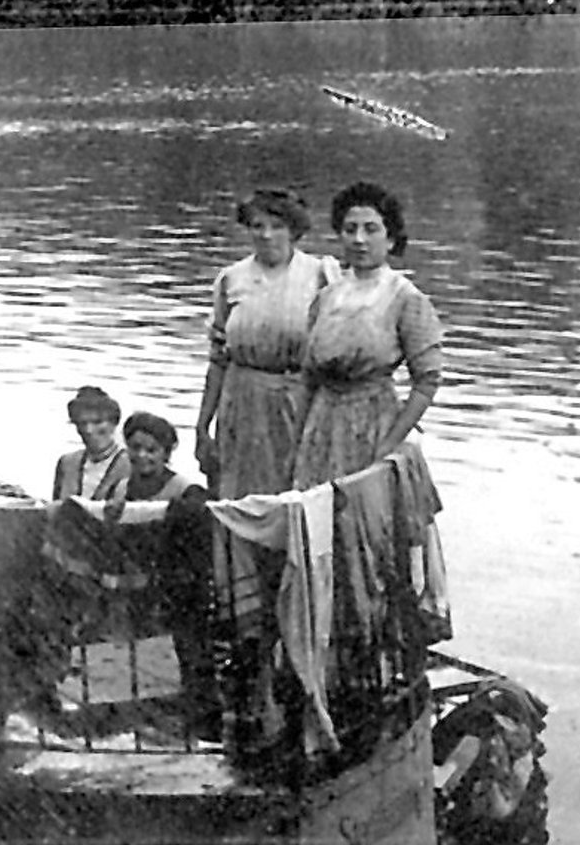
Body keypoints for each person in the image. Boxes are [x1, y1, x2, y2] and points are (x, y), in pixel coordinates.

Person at [292, 182, 443, 488]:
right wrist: (298, 439)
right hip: (321, 424)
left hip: (374, 423)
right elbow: (308, 377)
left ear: (390, 239)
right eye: (350, 229)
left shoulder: (405, 298)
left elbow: (427, 381)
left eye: (371, 229)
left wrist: (390, 441)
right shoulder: (326, 297)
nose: (359, 239)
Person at [195, 189, 339, 498]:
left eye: (276, 226)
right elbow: (218, 359)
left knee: (292, 492)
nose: (265, 234)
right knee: (234, 494)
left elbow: (335, 353)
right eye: (257, 226)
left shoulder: (319, 275)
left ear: (293, 230)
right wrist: (202, 425)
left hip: (295, 401)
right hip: (240, 402)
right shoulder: (231, 278)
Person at [102, 412, 216, 736]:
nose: (142, 456)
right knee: (129, 652)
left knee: (185, 655)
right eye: (135, 448)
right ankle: (129, 718)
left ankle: (190, 722)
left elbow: (200, 538)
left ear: (166, 453)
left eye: (151, 450)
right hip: (132, 587)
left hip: (176, 589)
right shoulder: (122, 488)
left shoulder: (186, 490)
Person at [52, 385, 129, 500]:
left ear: (114, 423)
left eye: (97, 422)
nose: (88, 430)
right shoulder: (66, 463)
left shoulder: (131, 464)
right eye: (82, 423)